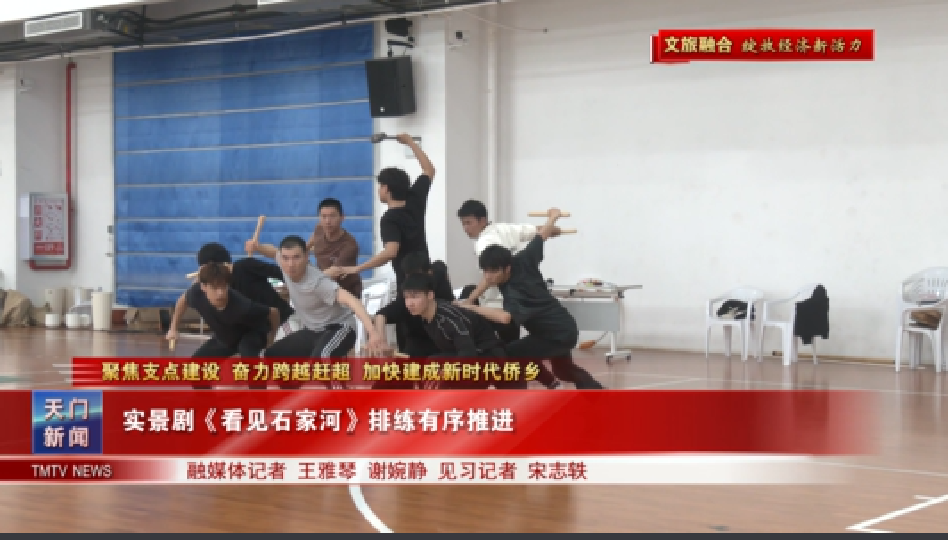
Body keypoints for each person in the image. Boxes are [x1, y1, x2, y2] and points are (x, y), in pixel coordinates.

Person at [458, 209, 604, 390]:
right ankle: (597, 393)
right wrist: (553, 216)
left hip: (555, 335)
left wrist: (472, 307)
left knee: (511, 354)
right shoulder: (524, 259)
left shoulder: (514, 294)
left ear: (506, 269)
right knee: (563, 370)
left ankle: (519, 396)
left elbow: (505, 317)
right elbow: (542, 235)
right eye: (485, 271)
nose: (488, 276)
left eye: (492, 271)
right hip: (563, 327)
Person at [325, 133, 434, 351]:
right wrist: (410, 142)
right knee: (430, 334)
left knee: (410, 340)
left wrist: (357, 268)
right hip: (428, 280)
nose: (379, 190)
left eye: (380, 186)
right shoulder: (415, 200)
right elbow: (429, 170)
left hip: (408, 284)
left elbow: (391, 251)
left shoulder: (390, 219)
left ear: (386, 189)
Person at [246, 235, 383, 389]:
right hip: (313, 331)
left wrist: (372, 332)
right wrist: (258, 247)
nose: (290, 264)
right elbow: (273, 252)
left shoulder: (317, 282)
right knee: (271, 356)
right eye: (286, 258)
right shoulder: (284, 261)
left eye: (296, 258)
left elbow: (352, 301)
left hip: (340, 328)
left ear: (306, 257)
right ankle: (287, 392)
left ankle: (345, 400)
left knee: (322, 360)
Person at [455, 199, 564, 390]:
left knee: (503, 352)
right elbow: (547, 231)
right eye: (463, 223)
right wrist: (553, 222)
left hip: (498, 307)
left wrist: (470, 300)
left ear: (482, 220)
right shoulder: (505, 229)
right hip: (515, 303)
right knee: (513, 350)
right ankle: (550, 382)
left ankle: (518, 390)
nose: (465, 228)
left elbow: (489, 279)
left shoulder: (485, 242)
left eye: (468, 223)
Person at [165, 262, 281, 389]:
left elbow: (273, 312)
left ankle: (260, 398)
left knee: (248, 355)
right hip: (226, 337)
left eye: (223, 287)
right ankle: (205, 399)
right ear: (203, 287)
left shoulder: (241, 305)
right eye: (215, 288)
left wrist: (273, 340)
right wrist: (173, 328)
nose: (220, 293)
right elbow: (183, 301)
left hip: (251, 334)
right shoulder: (196, 293)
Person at [401, 272, 517, 390]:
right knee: (432, 363)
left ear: (430, 295)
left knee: (444, 378)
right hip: (473, 355)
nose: (409, 303)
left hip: (490, 356)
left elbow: (468, 355)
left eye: (414, 297)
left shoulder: (448, 319)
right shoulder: (428, 316)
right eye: (406, 297)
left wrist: (446, 373)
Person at [370, 251, 456, 389]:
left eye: (417, 276)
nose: (410, 301)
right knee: (382, 387)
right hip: (415, 349)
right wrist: (381, 341)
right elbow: (382, 314)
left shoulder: (441, 291)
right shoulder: (407, 295)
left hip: (442, 351)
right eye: (409, 276)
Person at [306, 198, 363, 299]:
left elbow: (334, 273)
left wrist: (307, 282)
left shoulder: (349, 245)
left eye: (332, 216)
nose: (327, 221)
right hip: (322, 290)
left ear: (342, 217)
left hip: (346, 295)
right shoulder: (319, 229)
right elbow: (305, 248)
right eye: (323, 216)